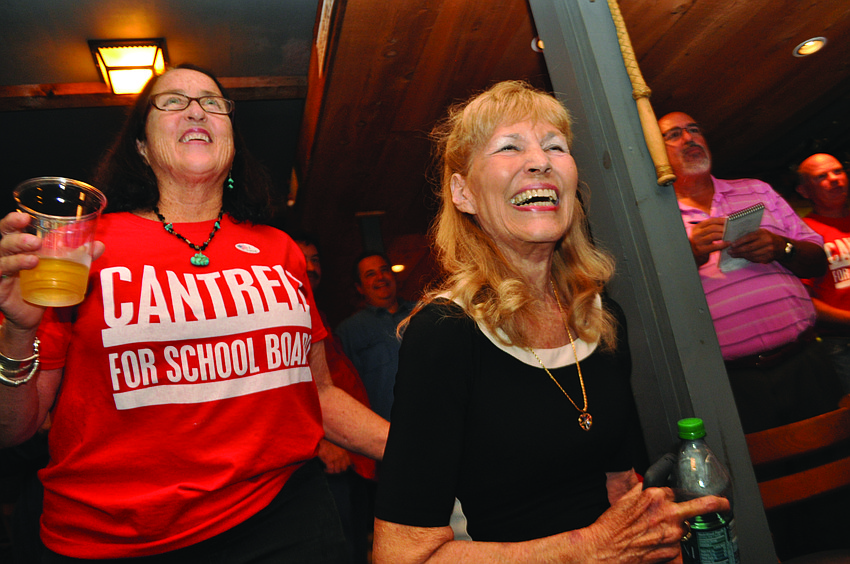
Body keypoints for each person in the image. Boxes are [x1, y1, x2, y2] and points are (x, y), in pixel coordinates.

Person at [0, 64, 387, 562]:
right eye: (172, 101)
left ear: (231, 139)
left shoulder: (279, 248)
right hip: (116, 538)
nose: (196, 109)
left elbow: (318, 391)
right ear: (140, 146)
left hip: (285, 515)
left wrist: (413, 452)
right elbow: (14, 429)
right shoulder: (83, 245)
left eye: (212, 101)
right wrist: (17, 332)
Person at [372, 81, 728, 563]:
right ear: (463, 192)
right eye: (509, 147)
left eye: (555, 147)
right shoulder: (444, 333)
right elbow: (401, 556)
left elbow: (618, 486)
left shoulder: (599, 318)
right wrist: (587, 550)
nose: (540, 161)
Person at [658, 111, 842, 432]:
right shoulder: (653, 215)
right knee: (763, 475)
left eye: (694, 129)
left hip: (806, 361)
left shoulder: (757, 191)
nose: (689, 138)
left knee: (836, 465)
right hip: (733, 381)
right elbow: (650, 300)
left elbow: (817, 261)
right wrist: (689, 257)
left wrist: (781, 247)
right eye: (674, 135)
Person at [293, 233, 377, 564]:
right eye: (302, 260)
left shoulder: (319, 316)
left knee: (358, 545)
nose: (311, 268)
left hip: (353, 456)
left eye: (315, 260)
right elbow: (290, 394)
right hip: (326, 459)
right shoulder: (282, 317)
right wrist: (323, 445)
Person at [336, 252, 415, 421]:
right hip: (387, 432)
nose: (380, 277)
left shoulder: (422, 314)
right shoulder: (348, 331)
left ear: (393, 276)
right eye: (370, 274)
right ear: (360, 288)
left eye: (384, 270)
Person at [796, 153, 850, 393]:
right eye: (821, 177)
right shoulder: (805, 234)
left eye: (838, 171)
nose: (834, 179)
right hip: (840, 343)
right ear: (805, 191)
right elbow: (802, 301)